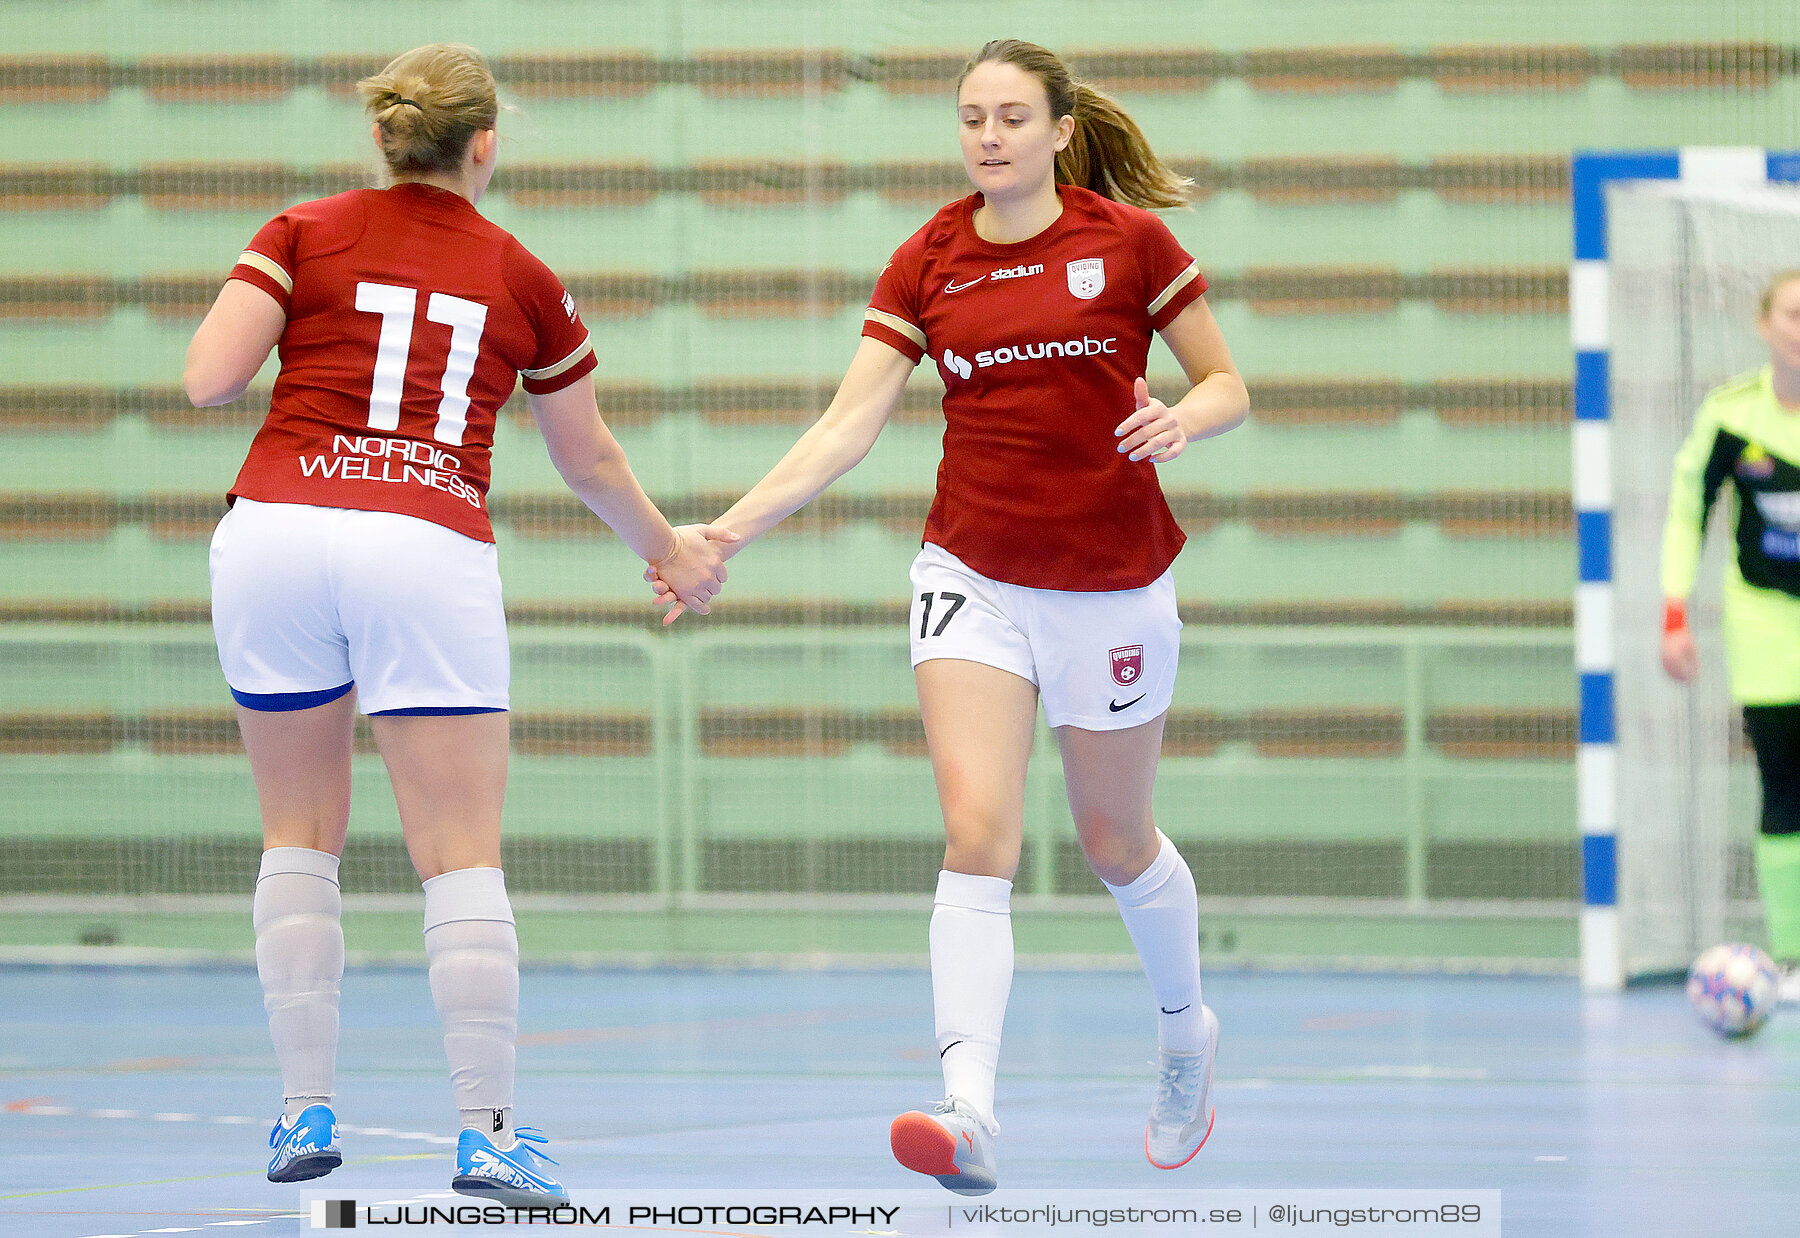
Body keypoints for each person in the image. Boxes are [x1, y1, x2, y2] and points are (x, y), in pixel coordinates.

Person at [650, 39, 1249, 1191]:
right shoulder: (928, 257)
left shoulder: (1127, 244)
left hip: (1113, 581)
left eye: (1013, 117)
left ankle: (1186, 1035)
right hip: (971, 574)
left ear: (1061, 128)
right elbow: (847, 423)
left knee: (1116, 842)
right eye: (972, 116)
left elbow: (1228, 381)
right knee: (979, 832)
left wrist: (1186, 418)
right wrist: (725, 531)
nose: (989, 136)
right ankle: (967, 1107)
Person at [183, 43, 732, 1204]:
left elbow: (207, 380)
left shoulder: (298, 230)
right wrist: (671, 551)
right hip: (422, 540)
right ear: (487, 142)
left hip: (275, 532)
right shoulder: (520, 273)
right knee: (457, 852)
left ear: (382, 137)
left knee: (298, 833)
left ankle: (300, 1112)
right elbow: (586, 455)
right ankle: (485, 1132)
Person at [1661, 268, 1800, 1006]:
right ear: (1765, 323)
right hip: (1765, 621)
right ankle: (1791, 956)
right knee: (1783, 786)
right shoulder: (1732, 416)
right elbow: (1688, 511)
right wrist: (1674, 611)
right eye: (1793, 314)